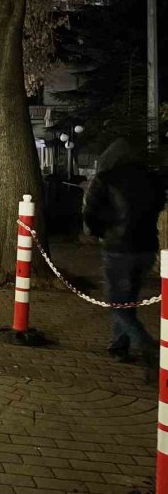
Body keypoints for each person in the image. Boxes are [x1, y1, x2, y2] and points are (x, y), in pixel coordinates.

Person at [83, 138, 165, 379]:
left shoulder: (106, 179)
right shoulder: (152, 179)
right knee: (128, 300)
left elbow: (91, 213)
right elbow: (159, 206)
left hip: (119, 249)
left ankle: (149, 347)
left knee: (117, 302)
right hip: (147, 248)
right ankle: (119, 345)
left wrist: (101, 233)